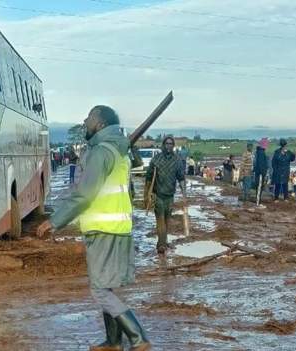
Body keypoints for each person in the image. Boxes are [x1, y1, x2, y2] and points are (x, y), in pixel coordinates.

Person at [36, 105, 151, 351]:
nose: (85, 121)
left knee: (100, 291)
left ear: (99, 123)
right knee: (106, 286)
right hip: (117, 226)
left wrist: (54, 221)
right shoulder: (117, 150)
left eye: (89, 117)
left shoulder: (101, 152)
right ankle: (113, 342)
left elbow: (85, 195)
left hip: (103, 228)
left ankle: (138, 337)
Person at [145, 136, 187, 255]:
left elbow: (181, 178)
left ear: (173, 146)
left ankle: (163, 241)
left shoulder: (177, 160)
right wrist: (147, 195)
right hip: (158, 195)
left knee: (167, 220)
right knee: (160, 220)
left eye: (171, 144)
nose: (169, 146)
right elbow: (148, 178)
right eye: (167, 143)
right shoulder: (156, 160)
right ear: (163, 145)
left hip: (170, 195)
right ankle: (161, 245)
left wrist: (184, 194)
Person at [254, 138, 270, 203]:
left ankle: (258, 201)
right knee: (259, 186)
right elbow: (261, 164)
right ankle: (258, 202)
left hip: (259, 172)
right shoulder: (261, 152)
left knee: (259, 187)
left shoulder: (259, 152)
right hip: (260, 173)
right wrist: (263, 172)